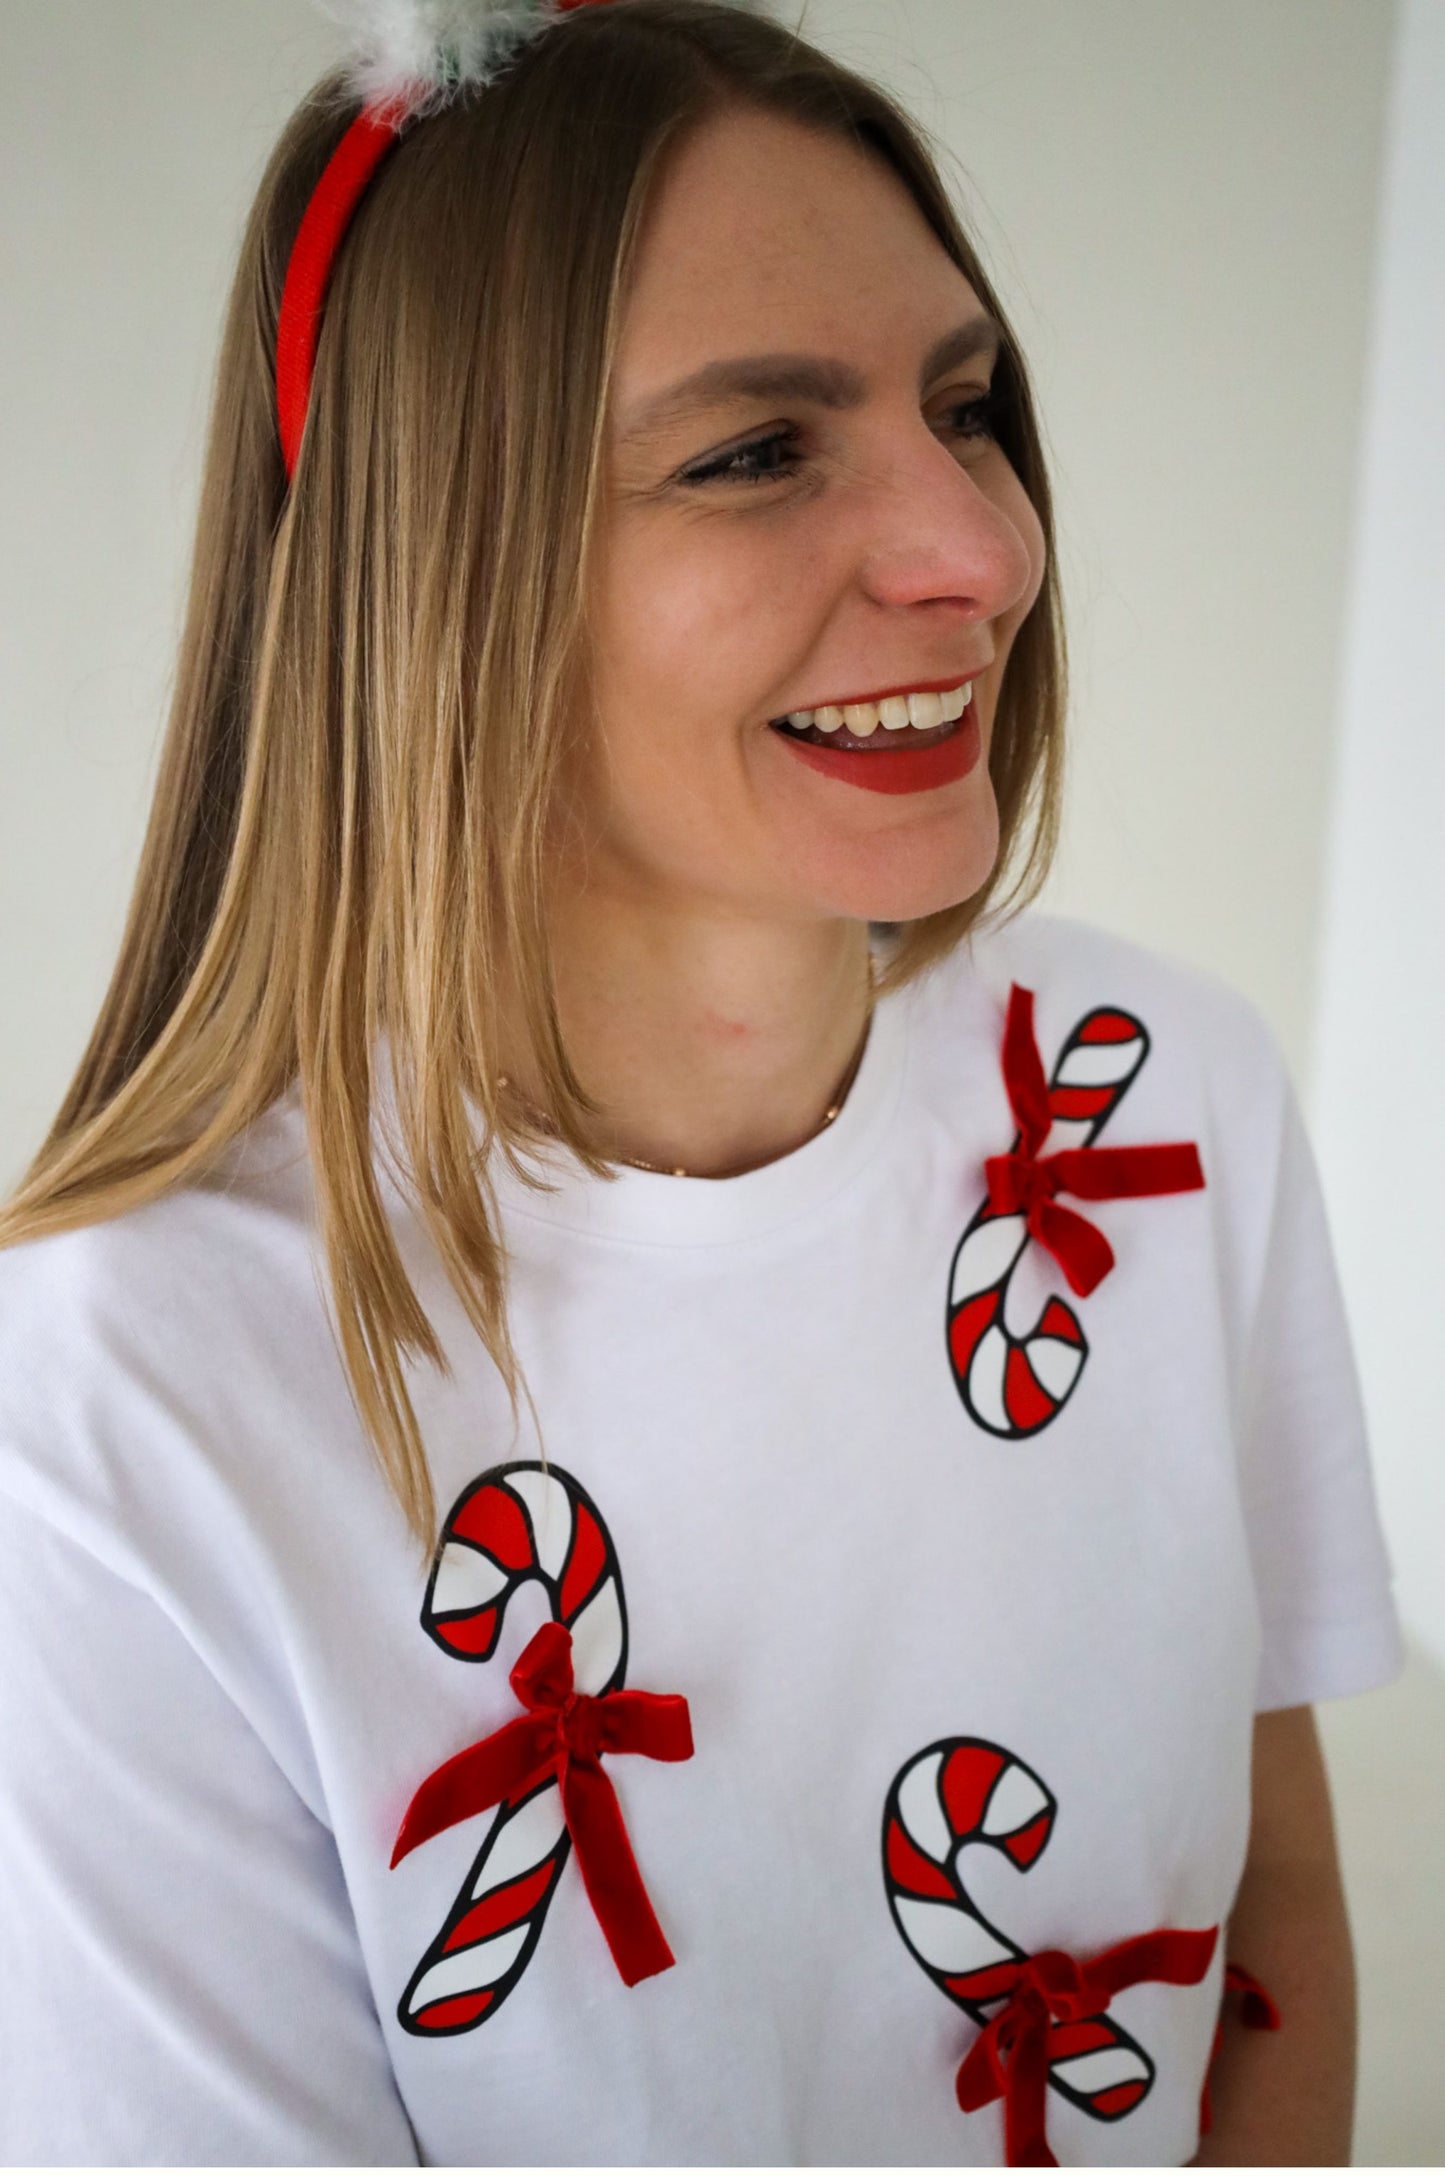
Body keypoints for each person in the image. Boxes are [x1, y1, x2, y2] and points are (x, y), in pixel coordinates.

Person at [0, 0, 1402, 2164]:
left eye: (967, 407)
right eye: (760, 450)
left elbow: (1268, 1927)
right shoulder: (120, 1395)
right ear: (438, 568)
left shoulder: (1165, 1106)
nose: (981, 549)